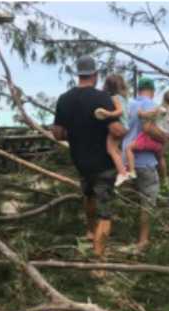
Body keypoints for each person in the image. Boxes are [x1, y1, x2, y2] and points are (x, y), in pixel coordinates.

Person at [51, 56, 126, 257]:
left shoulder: (64, 99)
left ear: (79, 74)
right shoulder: (102, 98)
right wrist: (125, 131)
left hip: (80, 161)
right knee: (105, 214)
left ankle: (90, 232)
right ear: (95, 75)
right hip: (104, 164)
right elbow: (117, 131)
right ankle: (99, 261)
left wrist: (76, 132)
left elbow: (57, 133)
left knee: (88, 195)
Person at [119, 78, 169, 254]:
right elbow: (154, 132)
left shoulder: (127, 105)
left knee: (128, 201)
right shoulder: (153, 106)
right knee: (147, 203)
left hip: (126, 161)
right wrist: (165, 138)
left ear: (139, 89)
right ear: (152, 90)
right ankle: (143, 241)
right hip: (145, 161)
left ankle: (124, 237)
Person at [124, 87, 169, 183]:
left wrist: (140, 113)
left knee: (128, 148)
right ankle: (165, 178)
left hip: (148, 140)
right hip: (159, 145)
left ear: (164, 99)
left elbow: (146, 115)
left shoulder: (159, 110)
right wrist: (167, 136)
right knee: (161, 158)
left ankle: (132, 171)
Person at [93, 74, 131, 187]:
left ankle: (122, 173)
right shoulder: (124, 98)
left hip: (120, 125)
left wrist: (107, 113)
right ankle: (123, 167)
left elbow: (119, 112)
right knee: (116, 150)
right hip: (126, 127)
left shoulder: (114, 98)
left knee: (111, 150)